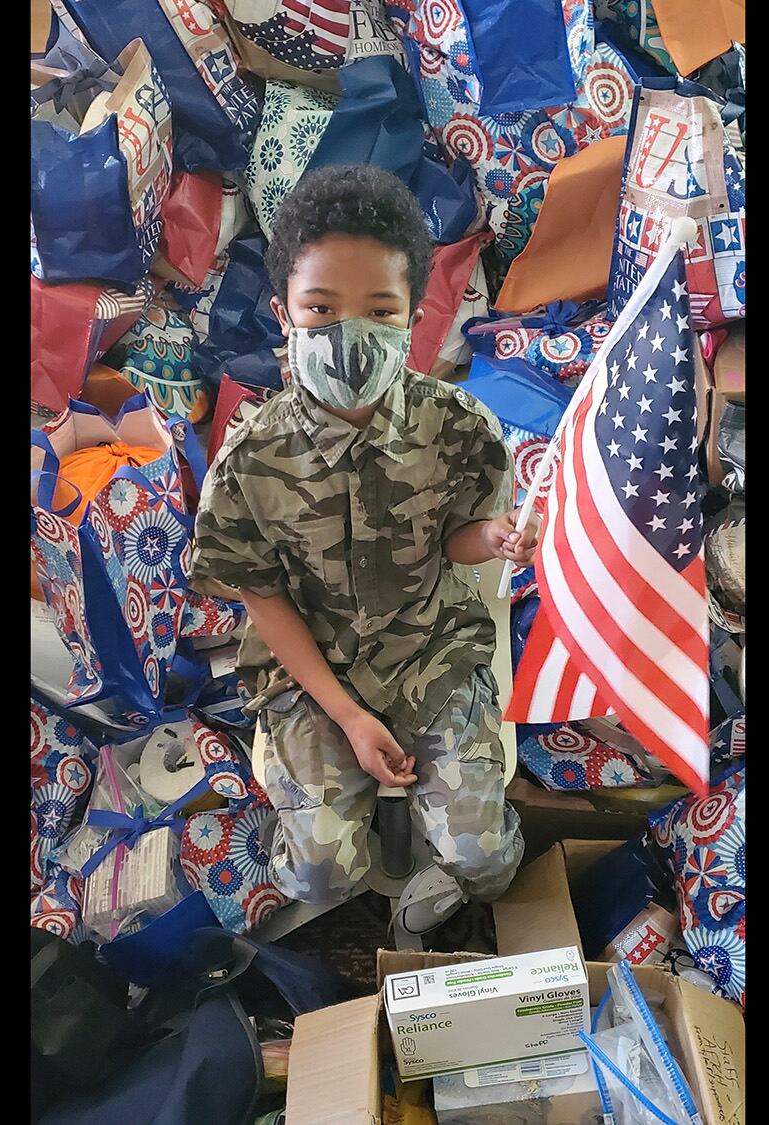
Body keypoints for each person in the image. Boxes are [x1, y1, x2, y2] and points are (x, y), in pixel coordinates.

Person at [191, 165, 536, 912]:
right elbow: (263, 597)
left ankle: (441, 866)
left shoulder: (458, 429)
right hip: (313, 674)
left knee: (484, 863)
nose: (350, 334)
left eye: (381, 310)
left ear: (413, 315)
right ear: (283, 313)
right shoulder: (251, 460)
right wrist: (348, 716)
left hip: (431, 650)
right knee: (319, 878)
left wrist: (494, 536)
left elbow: (456, 540)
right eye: (321, 308)